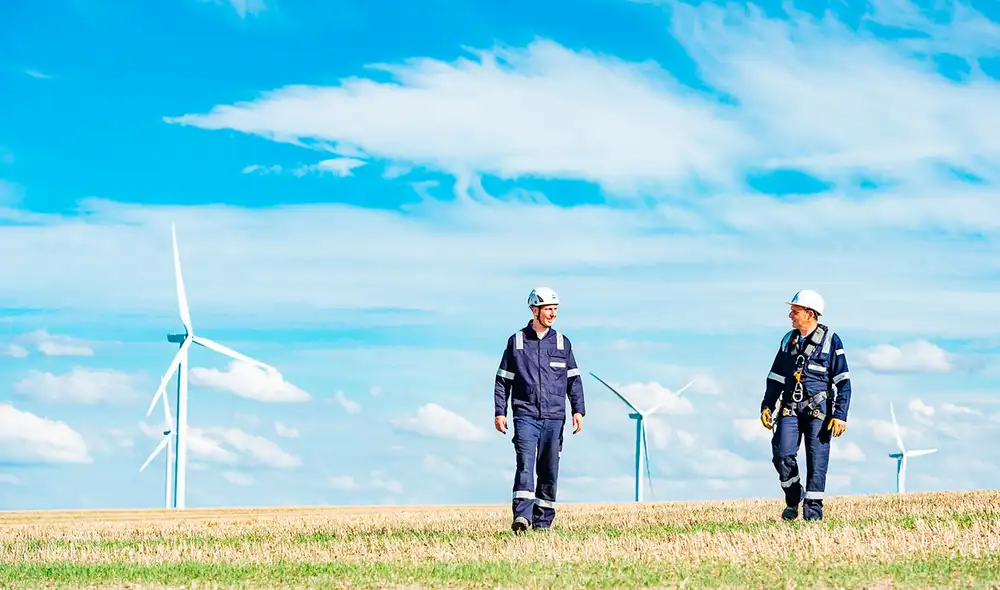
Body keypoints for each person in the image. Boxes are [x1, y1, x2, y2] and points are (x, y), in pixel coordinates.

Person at [494, 287, 586, 534]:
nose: (553, 314)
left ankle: (543, 521)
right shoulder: (516, 342)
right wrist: (500, 412)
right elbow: (503, 380)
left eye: (555, 309)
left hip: (555, 417)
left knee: (548, 468)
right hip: (525, 414)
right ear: (534, 310)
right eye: (548, 309)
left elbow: (573, 380)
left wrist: (578, 410)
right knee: (525, 464)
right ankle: (522, 518)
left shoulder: (562, 342)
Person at [759, 289, 852, 522]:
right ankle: (793, 497)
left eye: (795, 311)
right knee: (782, 454)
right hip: (790, 407)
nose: (790, 315)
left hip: (819, 412)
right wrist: (767, 405)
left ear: (809, 314)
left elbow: (844, 382)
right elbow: (776, 377)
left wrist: (840, 415)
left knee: (817, 462)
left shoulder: (832, 341)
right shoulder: (787, 340)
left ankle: (813, 516)